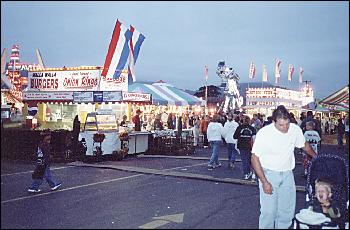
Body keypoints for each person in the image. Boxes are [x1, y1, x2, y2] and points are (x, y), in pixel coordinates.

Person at [251, 105, 317, 229]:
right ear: (273, 121)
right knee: (269, 212)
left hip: (287, 175)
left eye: (287, 124)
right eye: (281, 125)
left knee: (286, 212)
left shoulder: (295, 129)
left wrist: (317, 158)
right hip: (268, 174)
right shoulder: (264, 133)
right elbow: (254, 158)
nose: (285, 128)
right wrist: (264, 181)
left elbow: (304, 145)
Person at [234, 115, 256, 180]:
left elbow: (234, 136)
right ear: (249, 121)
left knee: (244, 160)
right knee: (250, 160)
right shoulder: (252, 128)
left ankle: (246, 173)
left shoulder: (239, 128)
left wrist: (241, 136)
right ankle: (251, 173)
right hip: (250, 146)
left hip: (241, 145)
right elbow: (254, 137)